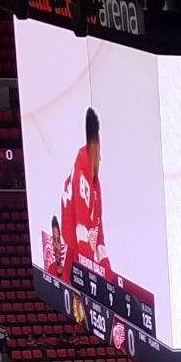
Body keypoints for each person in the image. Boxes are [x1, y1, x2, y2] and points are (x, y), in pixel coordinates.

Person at [59, 105, 110, 278]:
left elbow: (98, 234)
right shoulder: (82, 173)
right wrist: (91, 275)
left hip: (81, 264)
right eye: (100, 152)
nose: (101, 158)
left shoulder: (94, 181)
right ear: (95, 147)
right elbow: (81, 230)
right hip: (74, 268)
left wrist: (108, 275)